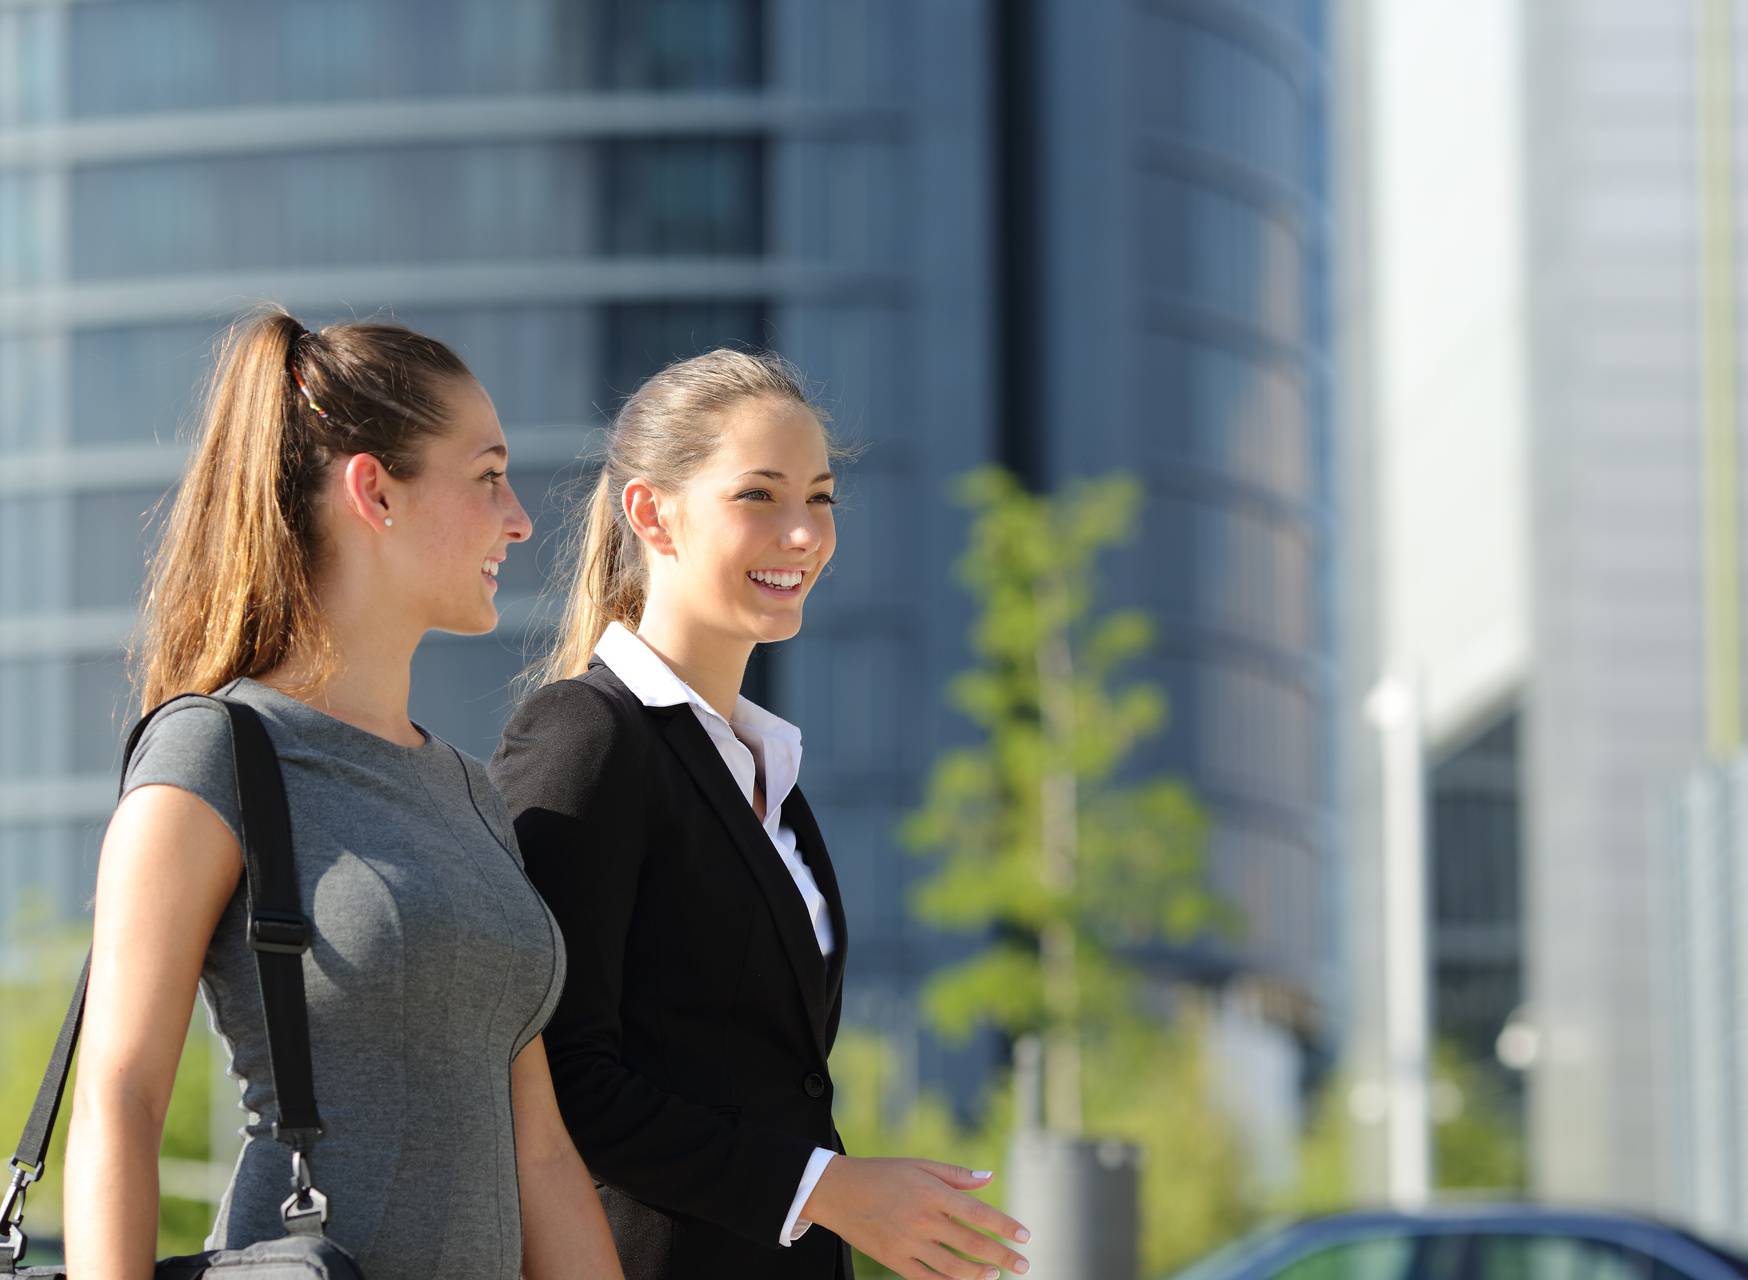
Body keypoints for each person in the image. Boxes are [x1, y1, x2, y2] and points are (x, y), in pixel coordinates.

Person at [62, 311, 622, 1280]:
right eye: (487, 476)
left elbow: (542, 1156)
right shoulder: (215, 751)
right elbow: (121, 1096)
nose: (520, 516)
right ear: (376, 491)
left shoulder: (472, 794)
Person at [491, 349, 1032, 1280]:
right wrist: (826, 1189)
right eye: (760, 497)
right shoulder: (586, 737)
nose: (803, 535)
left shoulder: (762, 768)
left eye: (820, 499)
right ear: (652, 514)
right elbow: (555, 1082)